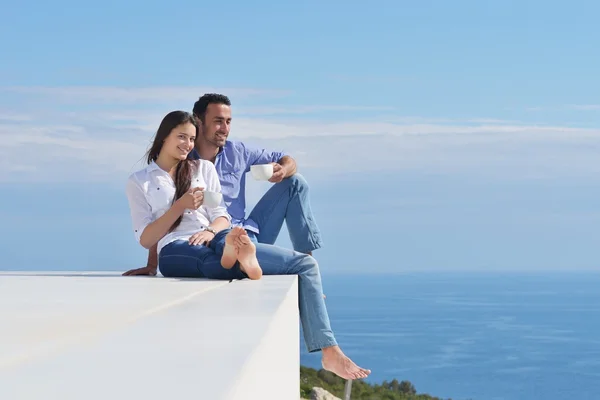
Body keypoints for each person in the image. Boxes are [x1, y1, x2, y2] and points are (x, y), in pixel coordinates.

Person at [124, 110, 370, 380]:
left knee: (305, 264)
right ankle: (241, 261)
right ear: (163, 137)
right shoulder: (140, 181)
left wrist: (211, 230)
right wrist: (179, 208)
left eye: (192, 139)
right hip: (175, 246)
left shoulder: (202, 169)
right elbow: (147, 237)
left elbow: (220, 215)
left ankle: (330, 351)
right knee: (210, 263)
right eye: (181, 137)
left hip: (219, 235)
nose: (188, 144)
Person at [123, 93, 323, 277]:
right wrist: (152, 263)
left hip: (240, 234)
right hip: (203, 241)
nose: (225, 128)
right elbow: (161, 206)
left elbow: (286, 159)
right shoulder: (181, 160)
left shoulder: (235, 153)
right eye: (218, 121)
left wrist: (283, 170)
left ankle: (305, 253)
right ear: (198, 122)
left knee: (296, 182)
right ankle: (238, 258)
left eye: (228, 122)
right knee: (215, 256)